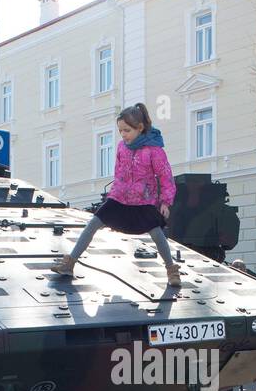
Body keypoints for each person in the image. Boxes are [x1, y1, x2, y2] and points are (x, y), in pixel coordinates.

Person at [55, 103, 181, 288]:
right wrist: (113, 195)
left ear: (140, 128)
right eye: (120, 130)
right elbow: (118, 173)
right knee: (93, 223)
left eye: (127, 130)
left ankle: (171, 270)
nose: (123, 134)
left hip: (143, 201)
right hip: (120, 198)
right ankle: (70, 263)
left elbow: (165, 176)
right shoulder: (122, 147)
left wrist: (165, 202)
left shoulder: (154, 150)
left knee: (157, 233)